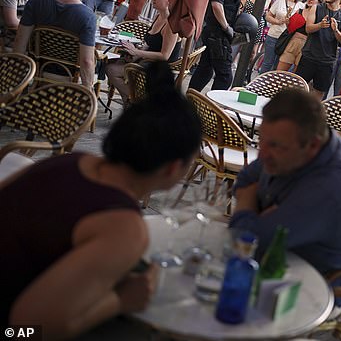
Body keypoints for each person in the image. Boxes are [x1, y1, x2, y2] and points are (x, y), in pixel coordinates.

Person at [1, 61, 202, 338]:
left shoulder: (70, 162)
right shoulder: (124, 228)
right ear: (172, 168)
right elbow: (27, 327)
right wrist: (120, 300)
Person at [230, 89, 341, 299]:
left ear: (312, 145)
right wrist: (260, 214)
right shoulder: (293, 143)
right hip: (280, 257)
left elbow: (249, 239)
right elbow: (245, 180)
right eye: (262, 140)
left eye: (275, 146)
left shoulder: (332, 187)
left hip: (316, 283)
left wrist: (249, 209)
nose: (262, 154)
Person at [13, 0, 95, 88]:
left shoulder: (36, 1)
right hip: (68, 78)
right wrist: (88, 92)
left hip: (36, 72)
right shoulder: (88, 17)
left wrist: (16, 78)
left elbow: (20, 42)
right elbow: (87, 61)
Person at [106, 0, 181, 104]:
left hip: (159, 69)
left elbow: (164, 56)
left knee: (112, 69)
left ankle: (135, 101)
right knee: (111, 63)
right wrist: (135, 49)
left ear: (169, 0)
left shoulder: (171, 25)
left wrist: (136, 52)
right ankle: (130, 99)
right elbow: (149, 44)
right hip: (146, 62)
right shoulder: (158, 16)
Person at [188, 0, 249, 91]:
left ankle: (191, 99)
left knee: (205, 69)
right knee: (225, 76)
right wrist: (226, 27)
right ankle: (211, 107)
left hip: (216, 33)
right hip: (218, 34)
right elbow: (216, 4)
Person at [295, 0, 341, 99]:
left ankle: (310, 115)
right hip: (309, 56)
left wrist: (335, 31)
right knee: (298, 87)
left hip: (327, 61)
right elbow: (308, 28)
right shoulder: (316, 7)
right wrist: (320, 25)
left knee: (319, 92)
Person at [259, 0, 304, 73]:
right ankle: (260, 84)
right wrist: (278, 21)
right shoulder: (280, 0)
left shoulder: (301, 6)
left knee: (278, 66)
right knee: (267, 63)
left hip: (287, 39)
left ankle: (271, 86)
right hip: (273, 36)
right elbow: (268, 16)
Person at [276, 0, 323, 73]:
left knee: (295, 76)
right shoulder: (300, 11)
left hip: (307, 46)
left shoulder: (319, 16)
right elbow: (290, 27)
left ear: (319, 1)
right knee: (279, 72)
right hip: (293, 42)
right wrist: (287, 21)